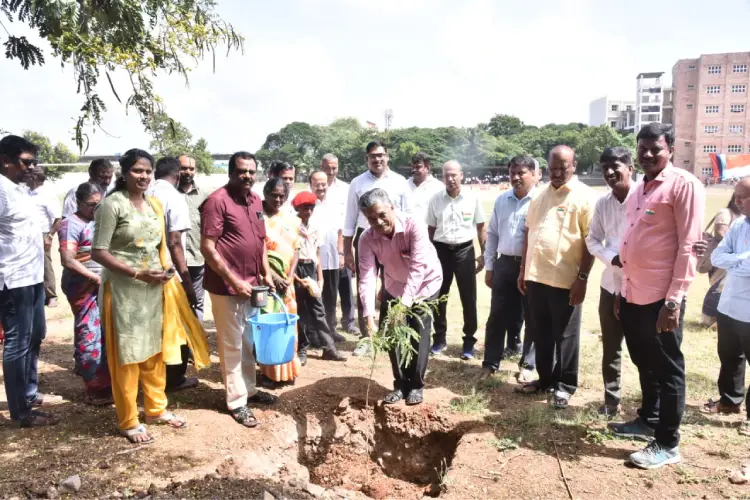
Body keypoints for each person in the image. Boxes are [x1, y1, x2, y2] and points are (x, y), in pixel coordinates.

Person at [92, 148, 209, 444]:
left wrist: (168, 272)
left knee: (155, 351)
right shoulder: (111, 205)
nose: (143, 176)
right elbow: (99, 251)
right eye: (137, 171)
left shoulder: (155, 205)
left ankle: (156, 409)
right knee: (127, 356)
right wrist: (136, 274)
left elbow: (161, 247)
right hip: (123, 290)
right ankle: (128, 419)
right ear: (125, 172)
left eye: (147, 171)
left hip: (155, 287)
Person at [609, 123, 705, 470]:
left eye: (656, 148)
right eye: (642, 148)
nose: (648, 154)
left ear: (672, 150)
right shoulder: (640, 189)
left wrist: (674, 300)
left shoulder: (684, 185)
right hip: (633, 292)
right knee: (643, 361)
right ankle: (646, 419)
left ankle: (667, 443)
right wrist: (622, 291)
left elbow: (689, 245)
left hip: (661, 298)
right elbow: (631, 239)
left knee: (668, 369)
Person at [201, 151, 278, 428]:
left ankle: (250, 390)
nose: (247, 176)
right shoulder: (216, 202)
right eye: (242, 171)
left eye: (251, 171)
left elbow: (260, 240)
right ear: (231, 172)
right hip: (227, 287)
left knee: (248, 340)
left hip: (252, 285)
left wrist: (266, 272)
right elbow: (208, 247)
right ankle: (236, 401)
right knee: (231, 343)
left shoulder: (256, 200)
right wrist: (234, 280)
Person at [516, 145, 596, 410]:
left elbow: (590, 242)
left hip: (567, 280)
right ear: (546, 168)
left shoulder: (584, 197)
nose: (558, 173)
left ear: (574, 165)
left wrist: (582, 278)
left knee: (566, 336)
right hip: (537, 277)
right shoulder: (539, 195)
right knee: (541, 332)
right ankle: (546, 379)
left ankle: (565, 385)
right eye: (553, 168)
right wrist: (523, 271)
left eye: (563, 168)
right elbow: (529, 233)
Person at [358, 188, 443, 405]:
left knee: (418, 332)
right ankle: (400, 384)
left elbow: (418, 268)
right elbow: (367, 277)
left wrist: (404, 305)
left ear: (392, 208)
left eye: (382, 215)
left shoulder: (414, 226)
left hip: (425, 283)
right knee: (392, 335)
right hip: (394, 285)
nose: (378, 222)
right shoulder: (367, 238)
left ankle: (416, 385)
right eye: (371, 219)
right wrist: (368, 314)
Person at [0, 134, 62, 428]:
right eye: (26, 162)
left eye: (33, 162)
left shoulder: (20, 189)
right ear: (6, 160)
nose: (31, 167)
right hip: (13, 279)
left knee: (36, 334)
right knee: (18, 342)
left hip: (34, 275)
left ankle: (28, 393)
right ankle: (20, 411)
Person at [343, 141, 410, 356]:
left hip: (394, 239)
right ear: (367, 159)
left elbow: (407, 216)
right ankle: (367, 337)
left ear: (387, 156)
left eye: (381, 155)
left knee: (395, 285)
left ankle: (393, 333)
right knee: (366, 285)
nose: (377, 159)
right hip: (366, 239)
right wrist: (347, 250)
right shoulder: (357, 182)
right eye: (373, 156)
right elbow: (350, 218)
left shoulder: (400, 182)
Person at [584, 147, 635, 418]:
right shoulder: (603, 203)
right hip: (610, 285)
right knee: (611, 347)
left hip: (640, 289)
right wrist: (612, 258)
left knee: (643, 349)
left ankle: (651, 406)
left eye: (615, 166)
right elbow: (592, 240)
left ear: (630, 167)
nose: (610, 172)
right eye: (605, 167)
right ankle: (611, 400)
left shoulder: (644, 199)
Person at [480, 155, 538, 383]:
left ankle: (528, 364)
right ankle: (490, 362)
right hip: (504, 265)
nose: (515, 177)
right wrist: (490, 265)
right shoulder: (501, 200)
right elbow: (492, 233)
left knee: (532, 317)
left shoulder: (540, 201)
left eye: (521, 172)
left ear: (533, 174)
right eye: (512, 172)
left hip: (532, 267)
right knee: (497, 315)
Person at [147, 156, 198, 392]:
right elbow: (175, 241)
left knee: (154, 325)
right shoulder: (174, 198)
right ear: (177, 174)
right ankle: (174, 378)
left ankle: (154, 375)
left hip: (146, 270)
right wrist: (186, 281)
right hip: (169, 272)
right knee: (177, 326)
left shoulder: (145, 191)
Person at [58, 182, 111, 405]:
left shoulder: (99, 221)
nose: (95, 209)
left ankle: (107, 381)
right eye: (91, 205)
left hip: (103, 285)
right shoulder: (71, 224)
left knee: (106, 333)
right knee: (89, 333)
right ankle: (94, 387)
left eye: (99, 205)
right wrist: (95, 278)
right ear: (78, 203)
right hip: (82, 286)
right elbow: (68, 259)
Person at [426, 160, 486, 359]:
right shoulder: (435, 199)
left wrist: (484, 253)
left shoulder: (472, 198)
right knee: (438, 298)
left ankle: (469, 342)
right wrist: (428, 254)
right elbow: (431, 230)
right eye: (446, 175)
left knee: (468, 298)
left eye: (454, 175)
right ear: (442, 177)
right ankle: (439, 338)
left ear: (462, 174)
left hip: (464, 252)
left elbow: (480, 227)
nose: (450, 179)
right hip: (441, 252)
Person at [708, 178, 750, 428]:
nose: (737, 202)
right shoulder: (739, 225)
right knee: (730, 357)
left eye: (742, 197)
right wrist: (743, 259)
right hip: (729, 306)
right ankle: (730, 401)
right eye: (736, 196)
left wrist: (735, 260)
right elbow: (717, 257)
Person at [291, 190, 347, 363]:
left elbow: (317, 253)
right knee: (301, 312)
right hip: (297, 269)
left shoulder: (315, 228)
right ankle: (302, 350)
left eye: (311, 208)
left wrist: (320, 277)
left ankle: (329, 348)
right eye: (305, 208)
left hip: (312, 269)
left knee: (318, 310)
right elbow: (290, 254)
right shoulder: (292, 227)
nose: (308, 212)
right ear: (297, 209)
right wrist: (296, 278)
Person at [259, 177, 304, 381]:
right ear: (265, 194)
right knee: (270, 324)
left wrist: (289, 276)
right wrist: (273, 276)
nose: (277, 199)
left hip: (287, 283)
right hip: (265, 281)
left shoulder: (293, 220)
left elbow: (296, 250)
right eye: (273, 195)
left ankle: (288, 370)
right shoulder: (257, 218)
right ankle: (270, 373)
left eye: (282, 196)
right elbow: (256, 252)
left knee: (288, 323)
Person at [320, 154, 357, 335]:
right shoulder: (317, 187)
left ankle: (349, 322)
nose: (331, 171)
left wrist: (347, 249)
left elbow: (351, 217)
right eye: (328, 167)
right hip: (323, 244)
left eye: (334, 168)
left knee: (346, 283)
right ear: (322, 166)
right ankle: (329, 321)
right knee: (328, 286)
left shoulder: (346, 188)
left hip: (344, 242)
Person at [308, 170, 347, 342]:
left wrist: (340, 254)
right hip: (314, 259)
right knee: (314, 296)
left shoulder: (334, 204)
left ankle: (330, 329)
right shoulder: (307, 204)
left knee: (331, 296)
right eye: (317, 184)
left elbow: (340, 232)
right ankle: (315, 333)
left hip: (332, 258)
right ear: (311, 184)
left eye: (324, 184)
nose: (321, 187)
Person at [699, 195, 742, 328]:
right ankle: (709, 318)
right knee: (720, 289)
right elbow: (720, 233)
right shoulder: (726, 213)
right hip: (723, 261)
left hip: (737, 261)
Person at [178, 154, 208, 321]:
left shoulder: (204, 196)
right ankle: (178, 345)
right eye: (183, 168)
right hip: (173, 261)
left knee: (197, 302)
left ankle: (195, 345)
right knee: (175, 303)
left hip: (197, 259)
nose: (187, 172)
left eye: (191, 168)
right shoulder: (169, 194)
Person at [26, 168, 62, 308]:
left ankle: (51, 296)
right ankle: (36, 294)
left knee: (45, 264)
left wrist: (50, 236)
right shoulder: (27, 193)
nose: (26, 178)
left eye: (29, 176)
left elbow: (58, 218)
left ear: (34, 178)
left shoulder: (47, 194)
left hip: (42, 233)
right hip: (27, 233)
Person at [407, 152, 443, 225]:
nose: (414, 170)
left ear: (427, 168)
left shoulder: (438, 187)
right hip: (407, 233)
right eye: (412, 167)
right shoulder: (404, 185)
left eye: (418, 167)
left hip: (429, 232)